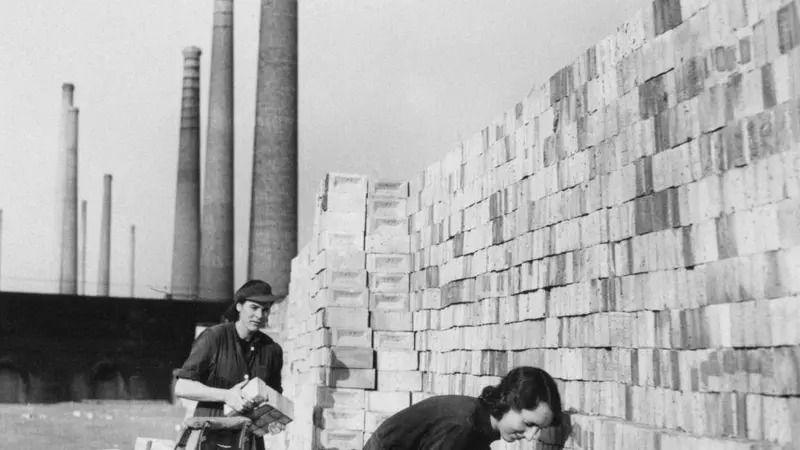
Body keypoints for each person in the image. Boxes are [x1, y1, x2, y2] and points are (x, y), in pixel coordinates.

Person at [174, 279, 285, 448]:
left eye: (265, 310)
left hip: (249, 440)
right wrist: (226, 395)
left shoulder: (272, 350)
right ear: (239, 306)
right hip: (210, 434)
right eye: (254, 308)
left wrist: (274, 422)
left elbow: (274, 400)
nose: (260, 315)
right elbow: (182, 387)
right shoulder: (214, 338)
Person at [363, 366, 562, 450]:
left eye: (538, 430)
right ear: (508, 402)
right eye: (528, 424)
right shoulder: (463, 426)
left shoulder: (478, 422)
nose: (530, 436)